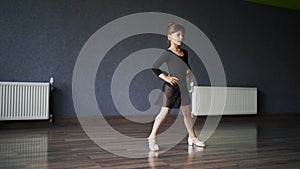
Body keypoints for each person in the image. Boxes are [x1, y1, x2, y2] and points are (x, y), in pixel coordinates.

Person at [148, 23, 205, 151]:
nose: (181, 37)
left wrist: (189, 72)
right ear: (169, 37)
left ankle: (193, 137)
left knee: (187, 114)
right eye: (178, 35)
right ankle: (152, 137)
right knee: (165, 112)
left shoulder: (184, 52)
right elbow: (154, 67)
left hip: (183, 86)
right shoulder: (167, 54)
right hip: (171, 87)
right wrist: (167, 77)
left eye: (182, 35)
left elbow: (185, 65)